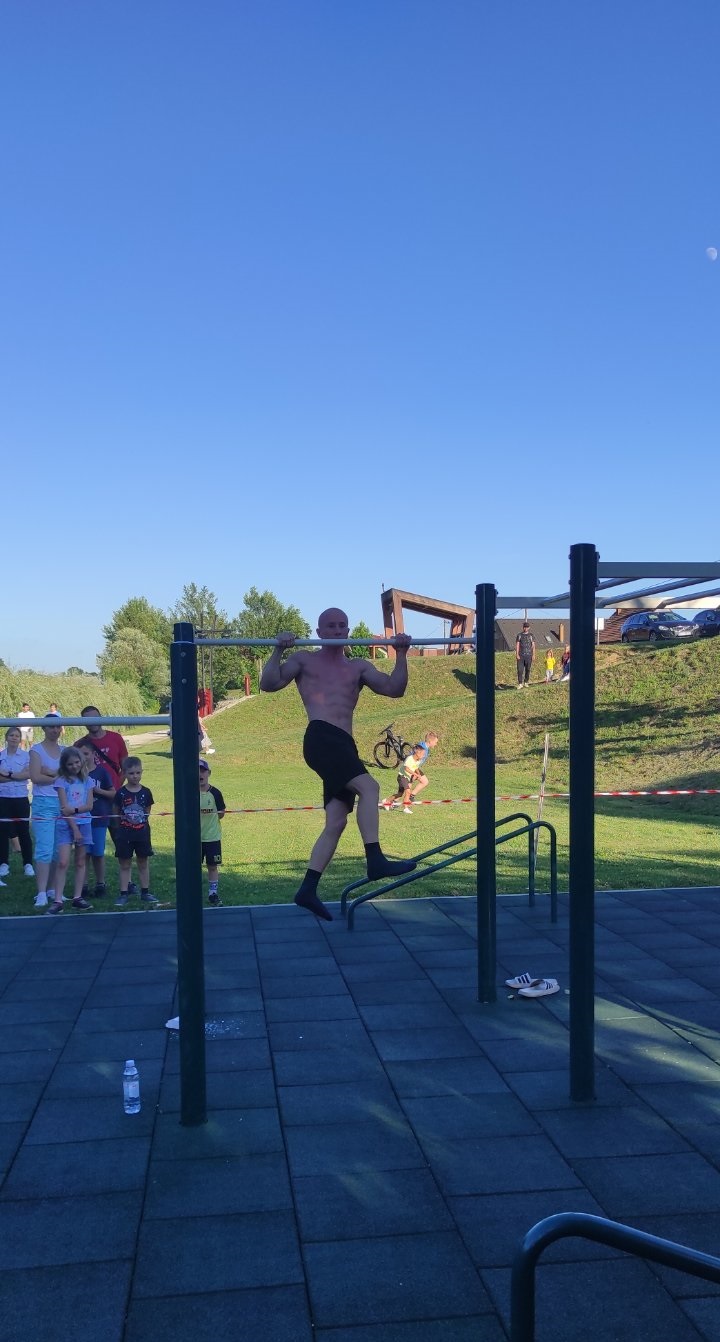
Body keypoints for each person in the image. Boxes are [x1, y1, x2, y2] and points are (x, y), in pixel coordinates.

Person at [260, 607, 417, 921]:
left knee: (336, 821)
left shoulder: (358, 667)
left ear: (348, 631)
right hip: (320, 737)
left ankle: (307, 889)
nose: (336, 630)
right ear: (319, 632)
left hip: (344, 744)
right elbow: (269, 683)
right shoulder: (304, 660)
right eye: (330, 626)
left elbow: (394, 689)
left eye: (341, 625)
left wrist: (400, 654)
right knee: (369, 787)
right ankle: (375, 859)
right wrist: (278, 649)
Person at [49, 747, 95, 914]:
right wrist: (74, 827)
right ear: (65, 765)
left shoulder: (88, 781)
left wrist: (75, 811)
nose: (75, 766)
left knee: (81, 861)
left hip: (85, 823)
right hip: (66, 825)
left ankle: (77, 897)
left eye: (77, 762)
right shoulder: (61, 782)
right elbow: (64, 809)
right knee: (63, 862)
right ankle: (58, 899)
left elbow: (89, 806)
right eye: (70, 764)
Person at [28, 714, 63, 908]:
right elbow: (35, 776)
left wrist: (49, 772)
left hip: (62, 802)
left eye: (57, 727)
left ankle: (52, 889)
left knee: (59, 849)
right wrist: (58, 776)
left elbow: (71, 774)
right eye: (51, 727)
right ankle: (41, 892)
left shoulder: (65, 750)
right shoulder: (36, 750)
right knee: (44, 848)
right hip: (43, 803)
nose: (54, 730)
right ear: (44, 729)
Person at [113, 757, 158, 907]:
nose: (135, 776)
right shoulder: (120, 793)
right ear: (125, 773)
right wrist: (123, 826)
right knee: (125, 864)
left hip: (142, 834)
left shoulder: (146, 792)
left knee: (143, 862)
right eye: (131, 773)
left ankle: (145, 892)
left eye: (138, 772)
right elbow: (116, 812)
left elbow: (147, 811)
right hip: (124, 834)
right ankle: (124, 893)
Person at [78, 741, 115, 899]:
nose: (83, 757)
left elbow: (113, 793)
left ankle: (100, 884)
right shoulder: (76, 774)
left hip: (99, 818)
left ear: (94, 755)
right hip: (82, 820)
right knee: (84, 854)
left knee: (98, 854)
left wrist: (97, 790)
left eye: (86, 754)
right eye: (80, 754)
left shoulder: (101, 772)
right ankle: (83, 885)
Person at [0, 726, 33, 880]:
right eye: (11, 735)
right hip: (4, 797)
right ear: (6, 738)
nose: (14, 738)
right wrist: (17, 776)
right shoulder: (1, 756)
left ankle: (28, 864)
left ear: (20, 739)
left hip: (20, 797)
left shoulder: (25, 756)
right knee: (3, 831)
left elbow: (27, 774)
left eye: (17, 736)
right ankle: (4, 864)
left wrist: (10, 774)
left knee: (24, 831)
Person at [199, 759, 226, 905]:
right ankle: (193, 893)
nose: (199, 774)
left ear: (208, 773)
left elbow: (221, 813)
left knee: (212, 866)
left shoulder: (215, 793)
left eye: (202, 771)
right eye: (196, 771)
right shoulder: (190, 793)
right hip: (195, 839)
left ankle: (213, 893)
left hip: (212, 837)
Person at [380, 745, 426, 814]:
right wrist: (415, 774)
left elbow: (416, 768)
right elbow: (406, 768)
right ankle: (405, 808)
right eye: (422, 754)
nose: (423, 756)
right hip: (402, 777)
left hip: (406, 778)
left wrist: (418, 774)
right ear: (417, 753)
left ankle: (386, 801)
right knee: (408, 791)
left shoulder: (417, 760)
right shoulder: (410, 759)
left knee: (400, 794)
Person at [515, 621, 536, 688]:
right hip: (521, 656)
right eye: (524, 627)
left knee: (528, 669)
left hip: (529, 655)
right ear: (523, 627)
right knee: (520, 670)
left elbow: (533, 646)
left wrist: (533, 655)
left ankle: (526, 682)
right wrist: (517, 654)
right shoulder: (519, 635)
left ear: (529, 627)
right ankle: (520, 683)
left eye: (527, 627)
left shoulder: (531, 635)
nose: (525, 628)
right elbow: (517, 645)